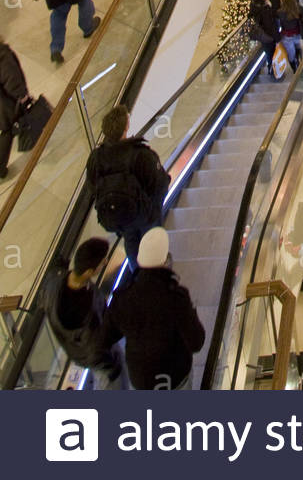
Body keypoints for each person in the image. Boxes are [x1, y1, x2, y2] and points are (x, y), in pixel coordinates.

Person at [102, 225, 205, 389]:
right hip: (175, 375)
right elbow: (197, 342)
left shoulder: (122, 297)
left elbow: (107, 336)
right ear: (165, 260)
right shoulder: (176, 298)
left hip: (142, 378)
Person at [86, 106, 170, 265]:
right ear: (126, 127)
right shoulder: (141, 154)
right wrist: (154, 210)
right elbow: (160, 185)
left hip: (120, 218)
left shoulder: (96, 158)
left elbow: (92, 187)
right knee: (151, 243)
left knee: (131, 244)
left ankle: (135, 272)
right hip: (146, 216)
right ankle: (154, 270)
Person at [41, 237, 124, 387]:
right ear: (89, 272)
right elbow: (96, 349)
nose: (105, 262)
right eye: (102, 261)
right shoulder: (85, 313)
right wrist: (112, 366)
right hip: (101, 359)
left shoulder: (56, 279)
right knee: (114, 385)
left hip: (80, 350)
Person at [0, 37, 28, 179]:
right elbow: (12, 81)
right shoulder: (3, 57)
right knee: (8, 130)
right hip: (5, 105)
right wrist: (22, 95)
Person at [248, 0, 284, 77]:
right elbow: (270, 25)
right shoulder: (265, 8)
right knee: (272, 53)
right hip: (269, 36)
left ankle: (270, 68)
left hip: (262, 35)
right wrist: (277, 38)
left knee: (268, 53)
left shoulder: (254, 5)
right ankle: (273, 70)